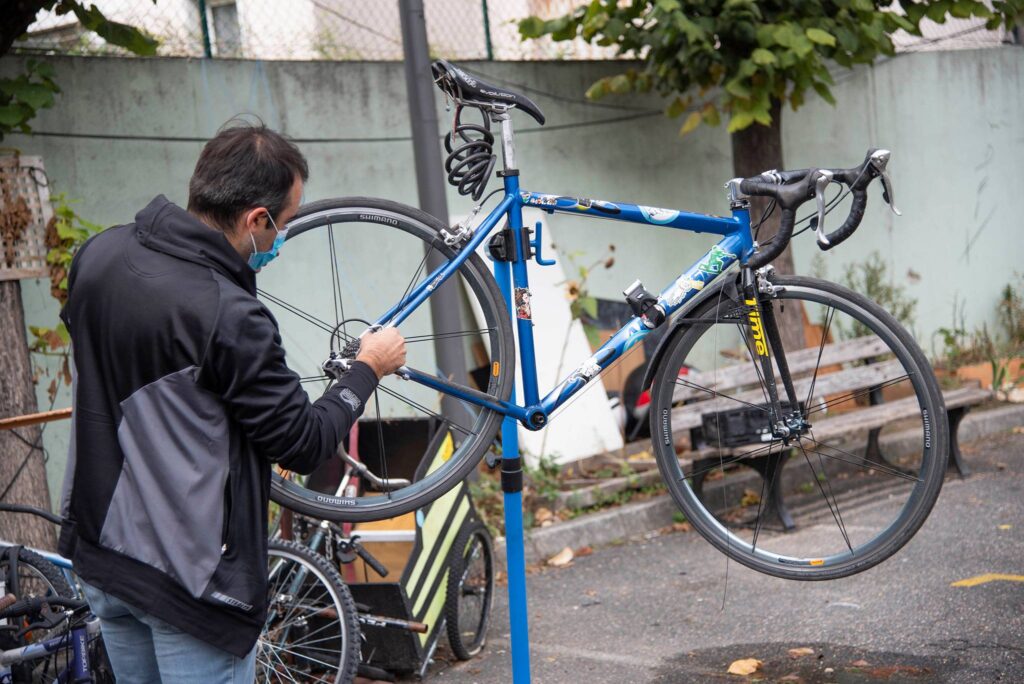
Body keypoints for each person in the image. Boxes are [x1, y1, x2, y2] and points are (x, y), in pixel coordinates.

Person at [57, 123, 405, 683]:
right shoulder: (229, 315)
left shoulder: (99, 255)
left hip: (103, 551)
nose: (281, 237)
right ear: (256, 220)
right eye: (285, 224)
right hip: (188, 581)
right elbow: (305, 442)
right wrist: (368, 368)